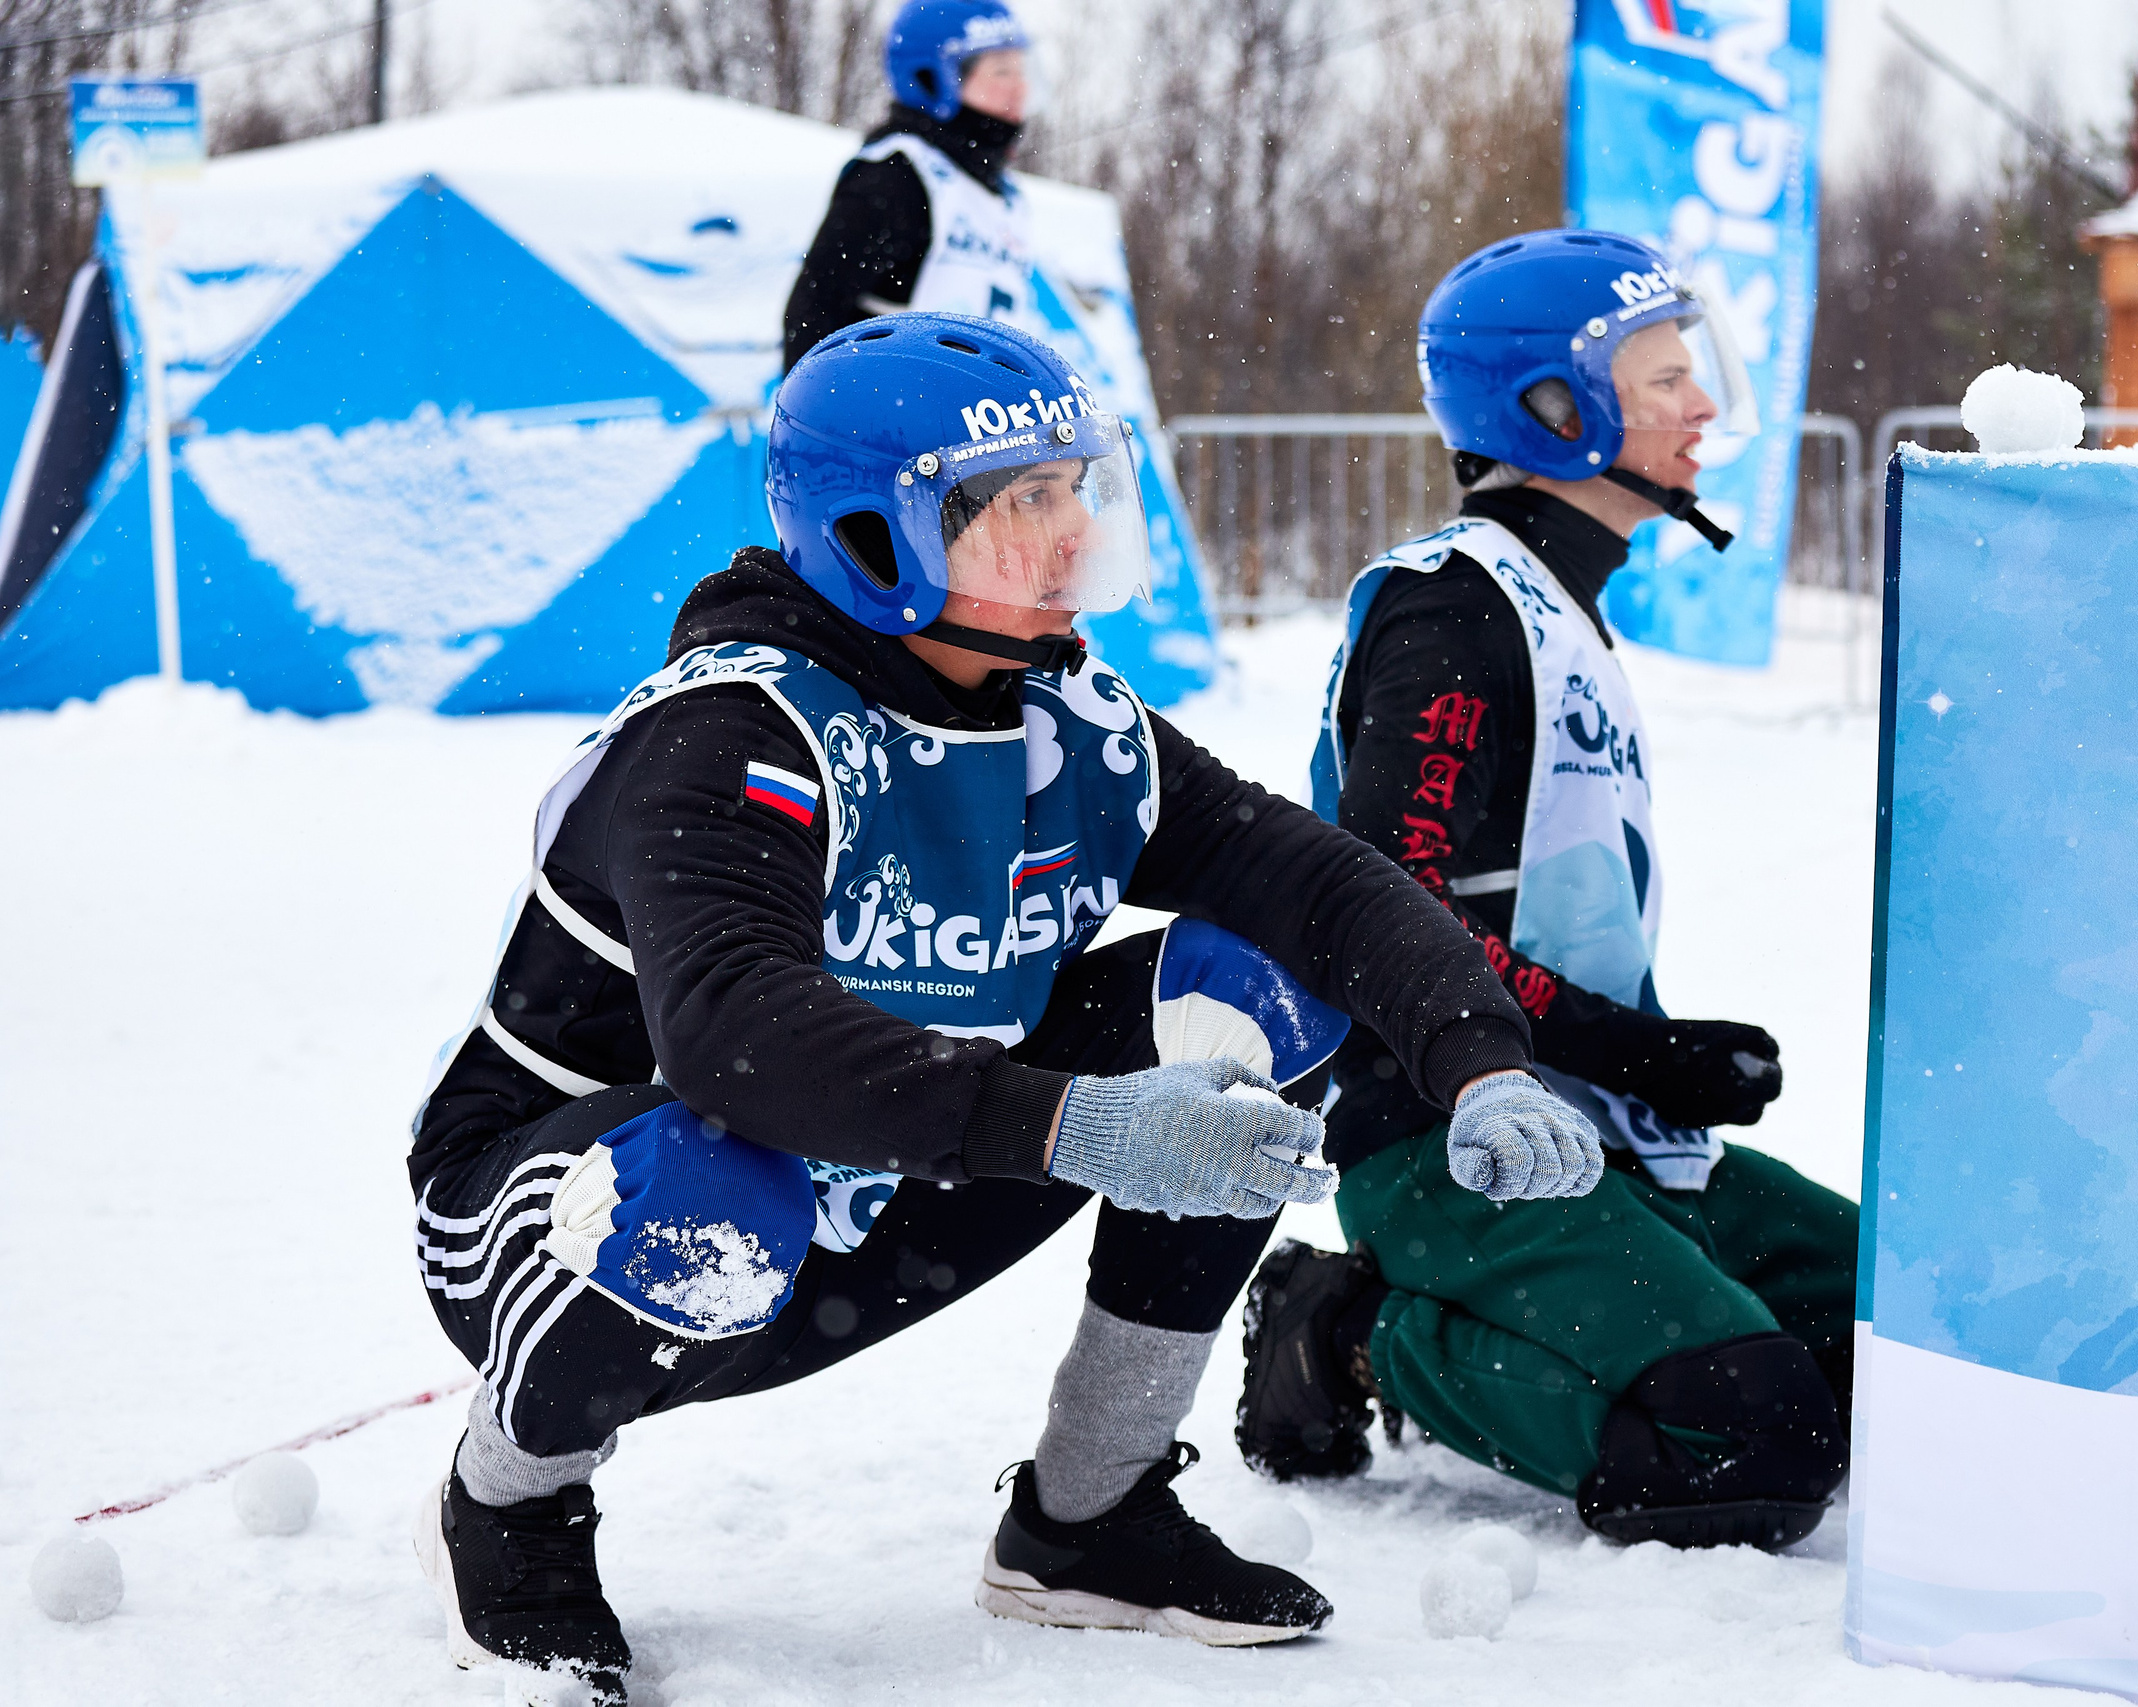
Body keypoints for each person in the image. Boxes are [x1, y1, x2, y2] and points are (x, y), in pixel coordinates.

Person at [405, 311, 1604, 1704]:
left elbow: (1320, 884)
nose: (1069, 533)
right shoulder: (735, 733)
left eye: (1071, 489)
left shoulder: (1065, 717)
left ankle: (1090, 1517)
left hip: (881, 1181)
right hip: (569, 1215)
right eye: (1015, 503)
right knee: (704, 1183)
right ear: (871, 535)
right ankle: (510, 1500)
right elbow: (735, 1035)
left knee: (1258, 988)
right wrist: (1079, 1123)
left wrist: (1477, 1057)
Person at [1233, 231, 1858, 1554]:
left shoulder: (1559, 606)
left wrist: (1635, 1061)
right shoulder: (1457, 608)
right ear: (1554, 411)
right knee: (1747, 1437)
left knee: (1910, 1340)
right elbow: (1389, 906)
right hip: (1453, 1139)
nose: (1702, 407)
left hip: (1605, 1128)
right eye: (1667, 376)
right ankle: (1346, 1328)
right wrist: (1624, 1042)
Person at [782, 0, 1040, 371]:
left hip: (981, 422)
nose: (1020, 88)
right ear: (932, 77)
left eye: (1022, 70)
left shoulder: (1003, 194)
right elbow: (812, 314)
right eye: (1001, 71)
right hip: (895, 420)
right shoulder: (896, 178)